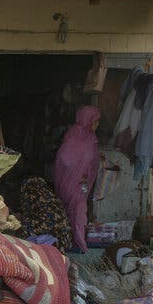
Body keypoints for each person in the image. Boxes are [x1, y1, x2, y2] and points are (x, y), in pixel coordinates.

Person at [54, 105, 101, 253]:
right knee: (77, 211)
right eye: (96, 121)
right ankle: (79, 245)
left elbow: (91, 159)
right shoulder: (76, 135)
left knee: (77, 211)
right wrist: (78, 171)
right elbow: (64, 157)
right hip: (71, 182)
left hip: (80, 183)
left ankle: (74, 243)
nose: (97, 124)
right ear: (88, 120)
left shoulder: (89, 137)